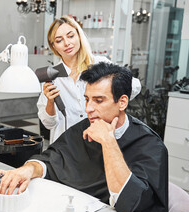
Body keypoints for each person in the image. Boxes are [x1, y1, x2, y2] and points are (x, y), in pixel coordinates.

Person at [0, 62, 168, 212]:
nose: (88, 109)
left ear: (122, 102)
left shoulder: (150, 146)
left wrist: (108, 141)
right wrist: (28, 170)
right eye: (87, 99)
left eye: (99, 100)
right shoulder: (85, 127)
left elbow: (134, 203)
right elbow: (53, 158)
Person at [38, 15, 142, 143]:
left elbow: (135, 86)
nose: (67, 43)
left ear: (79, 36)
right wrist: (50, 101)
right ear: (54, 47)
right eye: (59, 40)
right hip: (66, 146)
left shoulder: (99, 64)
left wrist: (110, 102)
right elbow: (48, 124)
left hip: (99, 141)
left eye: (71, 36)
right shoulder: (51, 77)